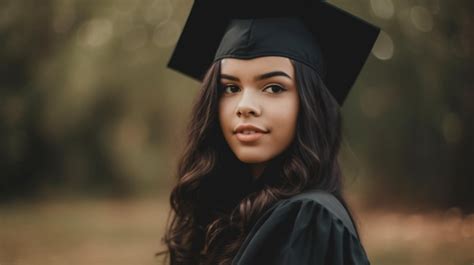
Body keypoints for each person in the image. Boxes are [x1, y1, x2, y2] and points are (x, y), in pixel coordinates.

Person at [157, 0, 381, 264]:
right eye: (230, 88)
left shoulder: (308, 219)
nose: (245, 107)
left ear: (310, 105)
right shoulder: (228, 213)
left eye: (273, 88)